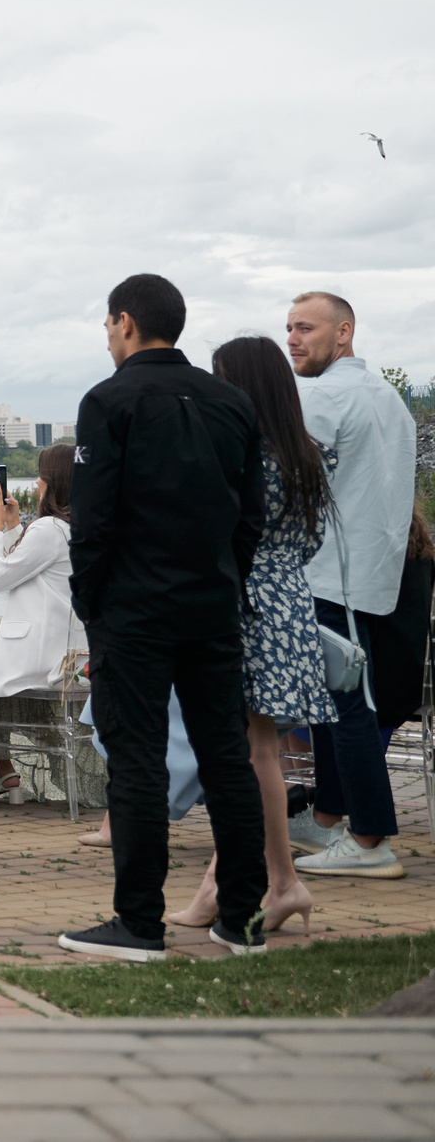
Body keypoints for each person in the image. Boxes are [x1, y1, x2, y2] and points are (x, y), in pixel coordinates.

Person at [58, 272, 270, 962]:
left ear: (124, 322)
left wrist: (91, 601)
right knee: (226, 756)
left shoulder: (109, 400)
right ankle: (241, 916)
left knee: (138, 758)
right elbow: (250, 516)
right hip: (211, 604)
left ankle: (139, 921)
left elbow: (93, 520)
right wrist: (225, 578)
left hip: (135, 608)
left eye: (107, 324)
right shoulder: (231, 402)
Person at [162, 335, 339, 934]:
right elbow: (310, 542)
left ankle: (281, 882)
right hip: (289, 600)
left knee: (249, 753)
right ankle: (224, 884)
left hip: (245, 601)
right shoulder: (307, 455)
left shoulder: (245, 453)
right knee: (254, 748)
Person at [284, 291, 418, 880]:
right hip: (378, 571)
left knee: (347, 708)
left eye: (305, 328)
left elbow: (286, 484)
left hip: (332, 573)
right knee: (336, 704)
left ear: (344, 333)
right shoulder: (390, 399)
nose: (292, 338)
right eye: (288, 327)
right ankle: (331, 814)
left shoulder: (323, 395)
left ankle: (368, 841)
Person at [0, 444, 85, 805]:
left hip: (42, 654)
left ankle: (2, 773)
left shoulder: (49, 528)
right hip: (72, 649)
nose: (35, 483)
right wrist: (16, 527)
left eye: (40, 476)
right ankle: (8, 773)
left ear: (52, 482)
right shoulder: (77, 525)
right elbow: (31, 570)